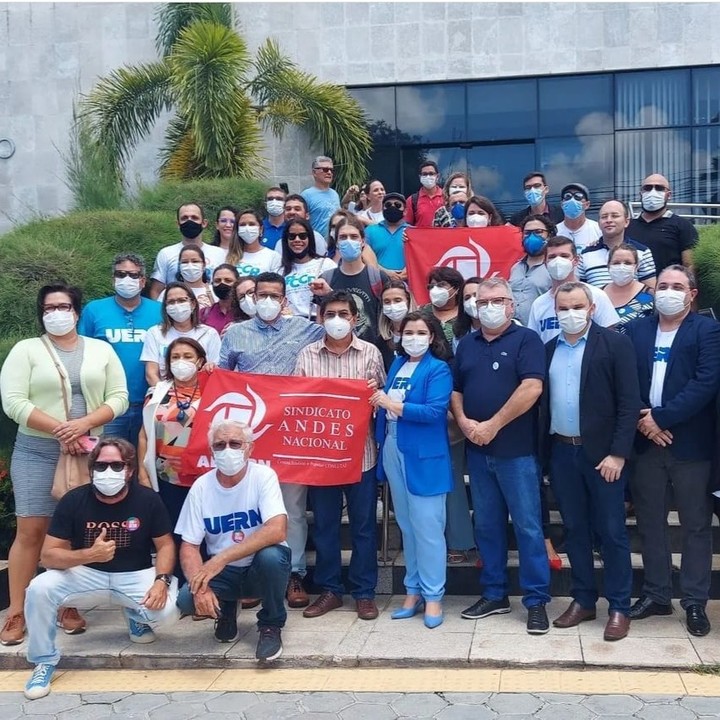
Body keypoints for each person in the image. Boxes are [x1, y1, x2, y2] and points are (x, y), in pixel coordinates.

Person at [0, 283, 129, 646]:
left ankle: (67, 604)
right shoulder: (26, 350)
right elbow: (13, 402)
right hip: (38, 450)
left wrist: (83, 425)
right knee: (31, 530)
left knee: (75, 531)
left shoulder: (100, 350)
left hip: (88, 450)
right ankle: (17, 611)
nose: (57, 313)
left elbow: (119, 397)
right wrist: (61, 429)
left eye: (64, 307)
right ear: (41, 313)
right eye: (49, 308)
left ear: (76, 311)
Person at [22, 438, 179, 700]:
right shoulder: (74, 500)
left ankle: (135, 615)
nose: (108, 472)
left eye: (117, 466)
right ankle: (43, 662)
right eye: (101, 465)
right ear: (91, 469)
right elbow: (48, 556)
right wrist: (89, 554)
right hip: (86, 574)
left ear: (129, 470)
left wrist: (161, 581)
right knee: (39, 589)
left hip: (134, 574)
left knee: (168, 612)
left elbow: (165, 545)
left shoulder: (147, 499)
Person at [541, 282, 641, 642]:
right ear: (555, 311)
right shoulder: (548, 349)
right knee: (575, 529)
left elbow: (629, 403)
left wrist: (618, 453)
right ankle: (583, 599)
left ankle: (619, 606)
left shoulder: (615, 344)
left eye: (577, 307)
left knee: (612, 532)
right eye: (563, 308)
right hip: (562, 452)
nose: (570, 313)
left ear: (592, 308)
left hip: (603, 457)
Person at [219, 272, 324, 608]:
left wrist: (326, 295)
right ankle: (250, 575)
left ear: (284, 300)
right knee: (249, 506)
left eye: (273, 295)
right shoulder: (235, 334)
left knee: (292, 508)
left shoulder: (306, 330)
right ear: (251, 298)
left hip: (291, 434)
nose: (266, 301)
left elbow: (351, 330)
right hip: (249, 435)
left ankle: (293, 573)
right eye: (260, 294)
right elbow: (221, 379)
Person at [625, 266, 720, 637]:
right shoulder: (636, 330)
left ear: (692, 294)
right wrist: (643, 420)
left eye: (677, 286)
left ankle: (694, 601)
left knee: (696, 525)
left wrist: (661, 418)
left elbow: (706, 382)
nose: (668, 291)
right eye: (662, 285)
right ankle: (657, 594)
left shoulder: (708, 331)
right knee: (651, 522)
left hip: (691, 444)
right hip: (646, 442)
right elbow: (625, 380)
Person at [452, 278, 550, 634]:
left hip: (516, 452)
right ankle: (494, 594)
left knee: (527, 527)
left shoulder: (527, 339)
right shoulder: (467, 344)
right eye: (483, 301)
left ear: (511, 305)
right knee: (487, 526)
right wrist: (464, 422)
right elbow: (456, 390)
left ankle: (536, 601)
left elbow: (532, 387)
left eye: (497, 300)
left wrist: (493, 425)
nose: (489, 307)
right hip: (478, 451)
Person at [295, 291, 386, 620]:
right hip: (322, 457)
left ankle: (364, 592)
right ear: (320, 318)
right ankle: (330, 590)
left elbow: (381, 398)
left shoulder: (370, 353)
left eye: (343, 314)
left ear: (354, 318)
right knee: (325, 526)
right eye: (330, 313)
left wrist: (373, 395)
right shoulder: (307, 355)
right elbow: (297, 401)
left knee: (363, 527)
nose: (336, 319)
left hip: (361, 455)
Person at [175, 419, 291, 660]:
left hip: (258, 568)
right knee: (186, 599)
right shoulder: (201, 487)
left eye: (235, 443)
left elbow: (277, 530)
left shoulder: (263, 476)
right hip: (225, 574)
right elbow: (189, 546)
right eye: (220, 445)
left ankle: (271, 624)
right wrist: (201, 588)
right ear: (212, 451)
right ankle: (225, 609)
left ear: (249, 448)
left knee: (272, 556)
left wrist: (220, 559)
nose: (227, 450)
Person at [373, 311, 454, 629]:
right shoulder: (397, 364)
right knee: (407, 525)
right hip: (394, 447)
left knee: (428, 528)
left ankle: (433, 595)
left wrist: (391, 405)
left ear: (432, 337)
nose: (414, 338)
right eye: (408, 332)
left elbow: (434, 411)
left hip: (425, 455)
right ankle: (413, 590)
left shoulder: (438, 369)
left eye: (421, 333)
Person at [138, 338, 211, 574]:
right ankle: (179, 583)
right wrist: (142, 473)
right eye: (175, 357)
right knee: (174, 532)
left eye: (188, 356)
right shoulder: (157, 393)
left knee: (204, 534)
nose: (181, 361)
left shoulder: (214, 389)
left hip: (204, 476)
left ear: (200, 361)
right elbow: (144, 434)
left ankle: (206, 583)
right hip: (167, 476)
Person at [78, 253, 161, 444]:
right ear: (113, 279)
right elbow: (81, 352)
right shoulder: (94, 310)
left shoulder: (159, 311)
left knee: (147, 459)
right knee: (108, 458)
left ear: (143, 281)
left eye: (133, 275)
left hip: (150, 403)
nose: (127, 279)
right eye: (121, 274)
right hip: (108, 406)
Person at [312, 216, 389, 352]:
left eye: (354, 237)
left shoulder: (378, 278)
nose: (348, 241)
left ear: (362, 241)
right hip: (335, 353)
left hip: (373, 353)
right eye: (343, 237)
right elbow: (320, 323)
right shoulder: (326, 279)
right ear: (336, 243)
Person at [527, 236, 620, 343]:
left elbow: (610, 337)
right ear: (545, 263)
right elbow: (534, 342)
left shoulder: (596, 295)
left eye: (564, 256)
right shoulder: (538, 304)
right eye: (552, 257)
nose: (558, 261)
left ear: (575, 261)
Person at [140, 282, 221, 388]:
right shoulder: (155, 333)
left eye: (182, 300)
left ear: (193, 304)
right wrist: (166, 394)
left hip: (201, 393)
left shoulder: (209, 334)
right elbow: (151, 374)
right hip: (165, 393)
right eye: (171, 302)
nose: (177, 305)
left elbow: (215, 370)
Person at [149, 203, 227, 299]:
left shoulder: (219, 253)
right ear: (178, 224)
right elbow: (156, 290)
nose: (189, 221)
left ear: (204, 223)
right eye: (184, 218)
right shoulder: (166, 253)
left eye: (194, 217)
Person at [577, 200, 657, 290]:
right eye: (604, 217)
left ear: (626, 222)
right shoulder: (585, 254)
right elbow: (581, 291)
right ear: (599, 223)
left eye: (615, 216)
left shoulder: (642, 252)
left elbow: (650, 292)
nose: (609, 220)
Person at [627, 173, 698, 273]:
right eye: (647, 188)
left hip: (668, 282)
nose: (652, 192)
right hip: (635, 282)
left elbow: (689, 265)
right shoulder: (627, 226)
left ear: (669, 195)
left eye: (659, 188)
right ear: (641, 193)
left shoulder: (683, 226)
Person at [279, 217, 336, 319]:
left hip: (318, 320)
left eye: (302, 236)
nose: (297, 240)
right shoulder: (280, 270)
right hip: (290, 322)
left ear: (310, 238)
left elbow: (339, 296)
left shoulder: (326, 264)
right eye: (292, 236)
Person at [509, 215, 554, 327]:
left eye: (538, 232)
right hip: (514, 329)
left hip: (540, 328)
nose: (532, 237)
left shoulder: (554, 268)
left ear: (549, 235)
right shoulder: (515, 267)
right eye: (527, 233)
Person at [602, 244, 655, 333]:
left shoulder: (650, 296)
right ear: (608, 266)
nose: (621, 267)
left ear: (636, 266)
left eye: (628, 263)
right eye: (616, 263)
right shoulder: (598, 295)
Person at [365, 193, 409, 282]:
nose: (392, 207)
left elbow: (420, 258)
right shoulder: (370, 231)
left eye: (397, 205)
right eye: (388, 205)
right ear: (382, 209)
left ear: (405, 211)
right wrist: (385, 272)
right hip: (378, 282)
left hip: (407, 283)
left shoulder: (413, 231)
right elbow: (364, 256)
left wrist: (409, 270)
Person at [226, 209, 283, 277]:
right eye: (242, 225)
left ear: (261, 229)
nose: (247, 228)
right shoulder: (228, 256)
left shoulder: (273, 257)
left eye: (252, 224)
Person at [159, 244, 214, 308]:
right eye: (184, 262)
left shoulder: (215, 292)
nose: (190, 266)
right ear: (179, 266)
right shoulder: (167, 293)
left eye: (195, 261)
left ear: (204, 265)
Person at [378, 280, 417, 370]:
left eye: (397, 300)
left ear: (408, 301)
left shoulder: (426, 329)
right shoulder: (381, 341)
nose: (392, 305)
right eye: (387, 302)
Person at [422, 266, 464, 346]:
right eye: (431, 286)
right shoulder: (421, 312)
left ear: (457, 289)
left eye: (441, 285)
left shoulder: (465, 313)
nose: (435, 290)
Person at [301, 155, 341, 238]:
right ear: (314, 172)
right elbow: (301, 222)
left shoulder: (335, 194)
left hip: (334, 241)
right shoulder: (306, 195)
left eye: (331, 170)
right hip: (316, 241)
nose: (329, 173)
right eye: (325, 169)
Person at [555, 183, 602, 252]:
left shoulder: (599, 230)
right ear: (562, 204)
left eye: (578, 196)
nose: (572, 200)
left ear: (587, 205)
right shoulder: (554, 232)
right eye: (568, 196)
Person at [199, 264, 241, 336]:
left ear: (237, 283)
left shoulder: (245, 312)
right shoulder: (203, 314)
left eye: (228, 280)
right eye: (217, 281)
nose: (222, 283)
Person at [404, 160, 445, 228]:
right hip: (420, 235)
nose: (428, 176)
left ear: (437, 176)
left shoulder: (446, 197)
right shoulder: (412, 200)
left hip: (444, 235)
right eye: (424, 174)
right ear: (420, 177)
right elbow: (407, 226)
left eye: (431, 173)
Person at [261, 187, 287, 251]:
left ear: (285, 204)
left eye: (279, 199)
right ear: (265, 205)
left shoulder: (291, 227)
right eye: (270, 199)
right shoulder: (259, 228)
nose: (274, 202)